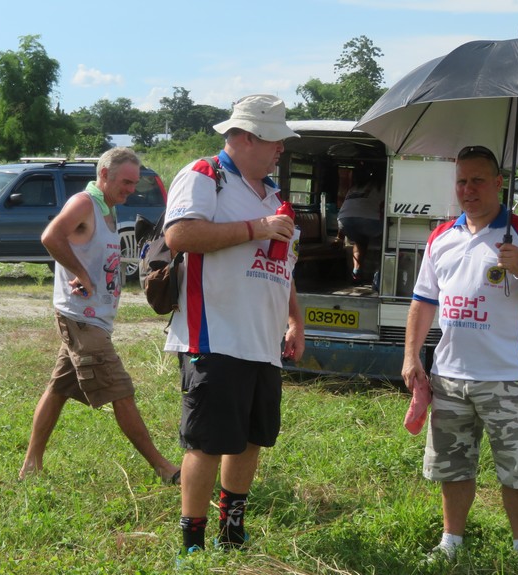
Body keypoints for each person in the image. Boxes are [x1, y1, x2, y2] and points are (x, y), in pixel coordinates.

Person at [401, 145, 518, 572]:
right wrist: (412, 355)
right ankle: (451, 540)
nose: (468, 189)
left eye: (477, 180)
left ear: (498, 183)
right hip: (450, 376)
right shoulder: (441, 236)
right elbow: (423, 301)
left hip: (507, 377)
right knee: (453, 467)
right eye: (461, 181)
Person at [163, 94, 305, 554]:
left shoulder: (274, 197)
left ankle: (231, 530)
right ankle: (192, 543)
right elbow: (179, 234)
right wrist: (256, 228)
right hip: (215, 335)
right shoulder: (206, 176)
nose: (280, 149)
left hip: (263, 341)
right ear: (244, 138)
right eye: (274, 140)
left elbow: (285, 268)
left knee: (250, 439)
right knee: (206, 442)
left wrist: (295, 321)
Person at [19, 147, 181, 485]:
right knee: (120, 390)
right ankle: (163, 467)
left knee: (58, 388)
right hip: (81, 318)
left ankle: (30, 465)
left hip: (92, 319)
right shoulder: (84, 203)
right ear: (104, 175)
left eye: (134, 183)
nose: (131, 189)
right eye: (126, 182)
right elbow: (50, 237)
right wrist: (80, 273)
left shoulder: (107, 208)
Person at [336, 166, 384, 284]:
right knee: (386, 239)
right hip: (369, 221)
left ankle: (356, 271)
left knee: (360, 240)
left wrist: (339, 238)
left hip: (344, 222)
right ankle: (379, 273)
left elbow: (346, 209)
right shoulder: (382, 186)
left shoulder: (354, 188)